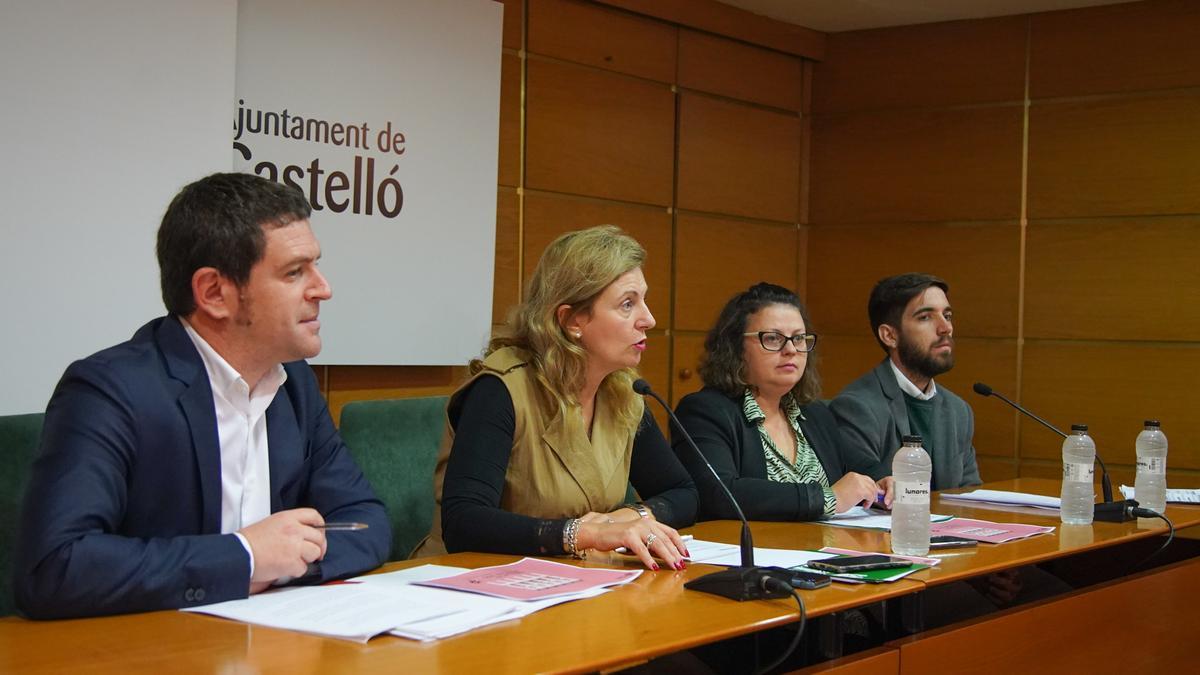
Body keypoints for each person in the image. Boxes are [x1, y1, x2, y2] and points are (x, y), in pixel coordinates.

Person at [14, 173, 390, 619]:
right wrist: (245, 557)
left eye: (316, 266)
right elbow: (55, 567)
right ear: (214, 293)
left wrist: (284, 563)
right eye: (295, 272)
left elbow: (367, 522)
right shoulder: (109, 390)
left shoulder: (295, 385)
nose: (322, 288)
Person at [417, 225, 696, 571]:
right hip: (472, 587)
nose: (649, 319)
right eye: (627, 304)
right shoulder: (500, 390)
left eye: (643, 300)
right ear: (572, 319)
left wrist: (628, 517)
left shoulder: (623, 391)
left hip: (574, 583)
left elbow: (683, 493)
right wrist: (584, 533)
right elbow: (464, 523)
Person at [673, 283, 892, 522]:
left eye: (799, 338)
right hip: (751, 552)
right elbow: (719, 493)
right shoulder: (704, 411)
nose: (791, 350)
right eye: (773, 338)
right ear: (735, 347)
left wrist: (885, 481)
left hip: (822, 550)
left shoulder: (813, 413)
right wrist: (827, 498)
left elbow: (862, 466)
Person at [831, 273, 980, 490]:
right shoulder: (856, 407)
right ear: (889, 336)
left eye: (947, 316)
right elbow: (873, 492)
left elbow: (969, 494)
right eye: (925, 317)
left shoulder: (959, 411)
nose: (945, 328)